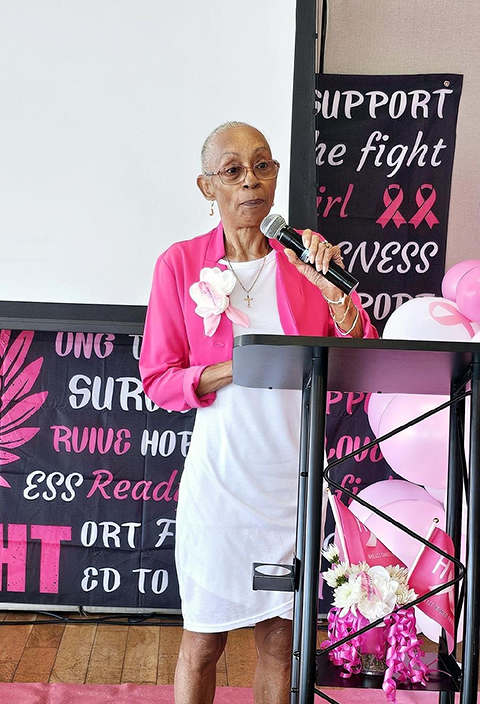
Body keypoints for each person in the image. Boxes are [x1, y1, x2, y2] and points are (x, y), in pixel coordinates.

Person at [139, 121, 378, 704]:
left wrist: (333, 292)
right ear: (207, 187)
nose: (252, 180)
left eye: (263, 165)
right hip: (220, 485)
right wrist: (235, 367)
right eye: (233, 170)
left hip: (289, 488)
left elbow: (361, 352)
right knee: (203, 644)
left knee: (278, 642)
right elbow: (158, 379)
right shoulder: (179, 264)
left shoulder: (303, 256)